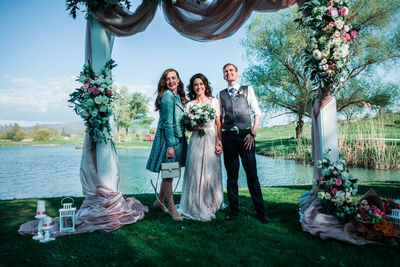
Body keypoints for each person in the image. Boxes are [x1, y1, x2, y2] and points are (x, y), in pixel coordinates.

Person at [217, 63, 270, 223]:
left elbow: (257, 113)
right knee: (232, 176)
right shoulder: (221, 94)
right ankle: (233, 211)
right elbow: (218, 118)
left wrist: (252, 134)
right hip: (228, 138)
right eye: (226, 71)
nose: (229, 73)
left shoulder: (247, 89)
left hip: (246, 137)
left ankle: (261, 213)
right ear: (224, 76)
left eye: (231, 70)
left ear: (237, 73)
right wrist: (219, 140)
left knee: (252, 176)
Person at [179, 73, 223, 221]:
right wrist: (196, 126)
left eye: (201, 83)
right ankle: (195, 202)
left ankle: (211, 201)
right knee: (196, 172)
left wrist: (219, 142)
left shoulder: (214, 102)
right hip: (197, 140)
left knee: (211, 171)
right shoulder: (190, 105)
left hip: (211, 139)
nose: (199, 87)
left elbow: (218, 124)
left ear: (205, 85)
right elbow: (188, 128)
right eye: (195, 84)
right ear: (192, 87)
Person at [146, 68, 187, 221]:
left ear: (178, 80)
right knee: (169, 173)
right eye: (168, 79)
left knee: (169, 172)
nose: (171, 81)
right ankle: (171, 208)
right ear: (165, 82)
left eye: (173, 78)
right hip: (169, 139)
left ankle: (159, 201)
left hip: (176, 139)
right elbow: (168, 123)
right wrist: (170, 145)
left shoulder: (176, 96)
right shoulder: (168, 97)